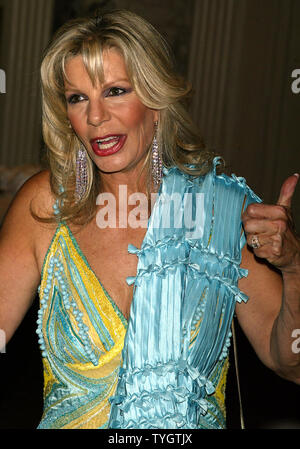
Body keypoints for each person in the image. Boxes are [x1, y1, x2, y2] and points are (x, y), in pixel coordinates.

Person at [0, 9, 299, 430]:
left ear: (156, 101)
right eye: (77, 97)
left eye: (116, 90)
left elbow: (290, 363)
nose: (96, 116)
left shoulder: (217, 211)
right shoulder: (45, 206)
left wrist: (293, 267)